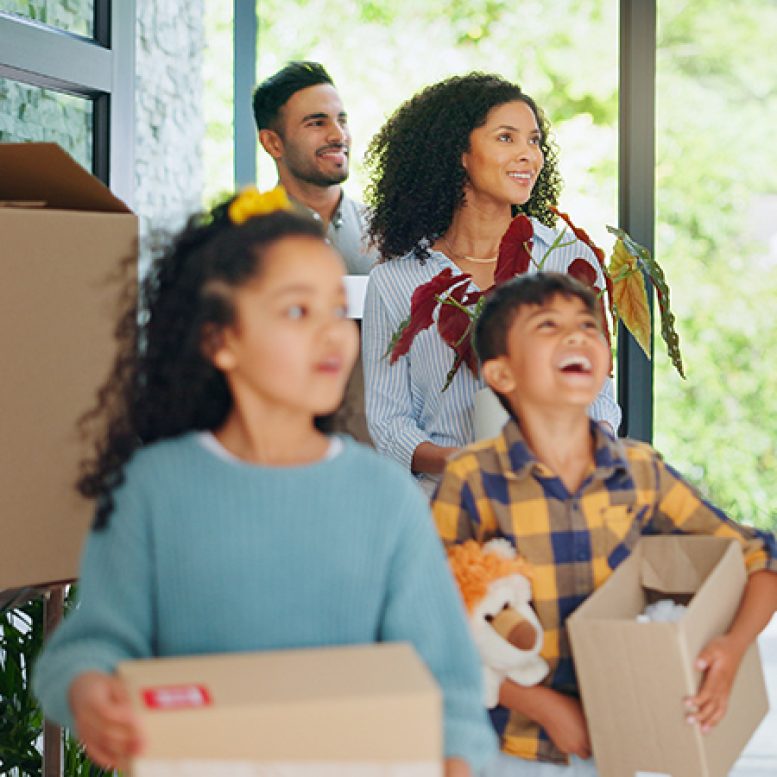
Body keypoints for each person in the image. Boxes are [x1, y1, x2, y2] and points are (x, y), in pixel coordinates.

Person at [32, 187, 496, 776]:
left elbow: (450, 688)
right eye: (297, 311)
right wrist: (90, 691)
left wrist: (457, 759)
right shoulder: (155, 490)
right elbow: (84, 649)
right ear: (220, 340)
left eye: (336, 311)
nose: (333, 333)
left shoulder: (384, 498)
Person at [431, 272, 777, 776]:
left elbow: (759, 558)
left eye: (589, 326)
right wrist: (542, 705)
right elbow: (434, 622)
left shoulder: (640, 472)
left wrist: (732, 647)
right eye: (548, 325)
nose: (577, 336)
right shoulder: (473, 478)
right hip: (507, 746)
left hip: (618, 742)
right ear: (503, 375)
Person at [361, 72, 621, 496]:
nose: (528, 155)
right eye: (506, 138)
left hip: (558, 500)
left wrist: (591, 446)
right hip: (445, 510)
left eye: (534, 141)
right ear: (458, 152)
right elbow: (388, 427)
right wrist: (469, 464)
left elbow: (598, 394)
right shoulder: (394, 283)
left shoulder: (565, 258)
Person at [253, 60, 377, 444]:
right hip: (281, 447)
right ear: (273, 142)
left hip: (377, 450)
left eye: (342, 119)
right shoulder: (245, 237)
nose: (338, 134)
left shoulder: (388, 233)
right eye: (317, 122)